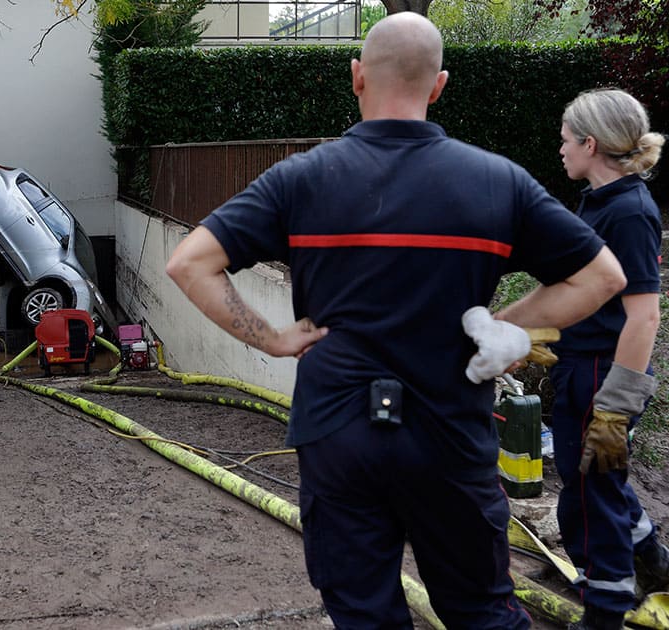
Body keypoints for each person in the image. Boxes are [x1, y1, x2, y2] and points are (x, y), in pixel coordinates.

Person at [166, 11, 627, 629]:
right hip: (451, 433)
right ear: (439, 85)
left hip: (338, 432)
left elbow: (189, 263)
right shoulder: (497, 182)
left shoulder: (302, 179)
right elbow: (604, 277)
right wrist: (504, 326)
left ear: (356, 77)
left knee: (364, 613)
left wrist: (273, 339)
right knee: (482, 612)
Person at [516, 87, 669, 630]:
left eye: (566, 139)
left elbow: (644, 317)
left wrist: (616, 403)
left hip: (602, 375)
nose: (560, 148)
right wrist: (548, 327)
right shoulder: (600, 201)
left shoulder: (631, 213)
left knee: (590, 500)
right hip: (582, 366)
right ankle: (654, 560)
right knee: (598, 482)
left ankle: (606, 611)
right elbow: (583, 287)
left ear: (590, 144)